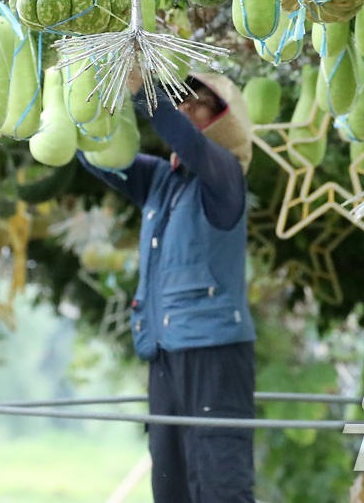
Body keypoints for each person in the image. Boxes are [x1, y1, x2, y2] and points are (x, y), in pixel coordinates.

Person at [79, 68, 256, 503]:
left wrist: (143, 90)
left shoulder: (224, 177)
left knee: (219, 481)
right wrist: (74, 104)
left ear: (221, 121)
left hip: (213, 350)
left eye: (199, 103)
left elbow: (189, 142)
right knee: (170, 483)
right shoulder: (161, 181)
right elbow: (96, 158)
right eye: (183, 101)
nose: (185, 107)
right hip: (163, 350)